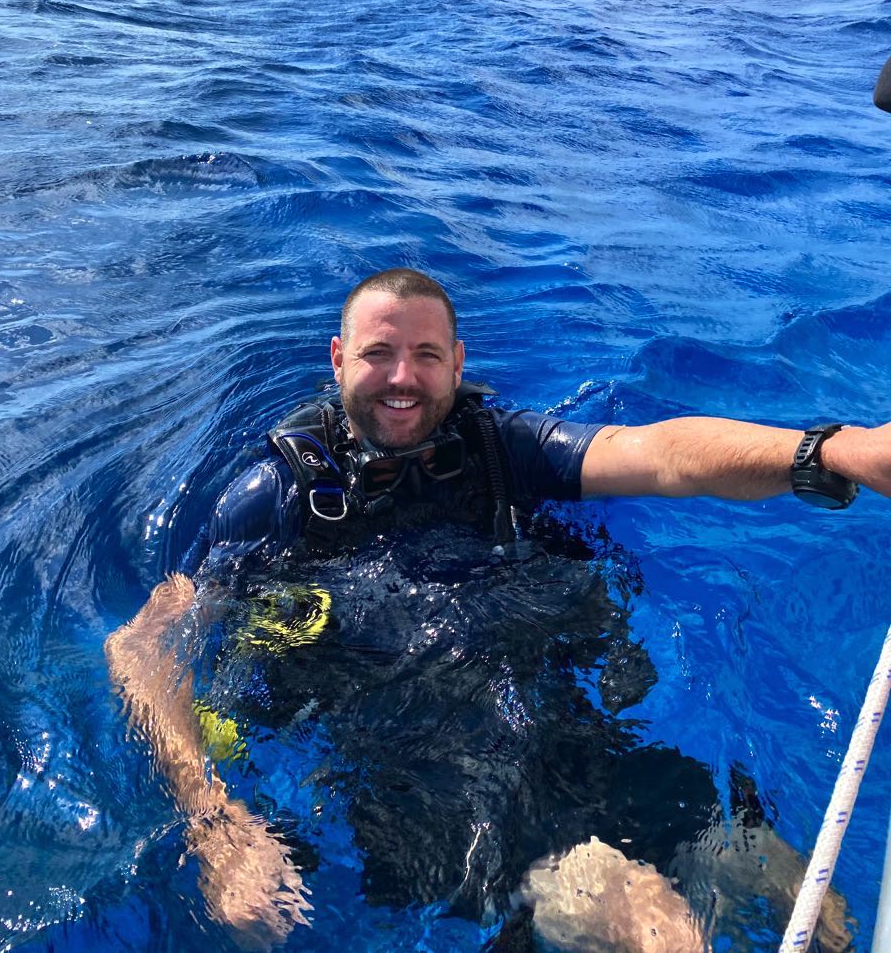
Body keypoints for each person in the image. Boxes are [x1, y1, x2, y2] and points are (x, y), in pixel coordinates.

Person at [106, 268, 884, 950]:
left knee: (821, 913)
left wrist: (833, 453)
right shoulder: (276, 499)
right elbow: (139, 648)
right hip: (435, 790)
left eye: (426, 354)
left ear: (458, 363)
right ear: (339, 359)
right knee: (664, 935)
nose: (402, 377)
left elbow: (660, 455)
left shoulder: (504, 448)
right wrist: (215, 821)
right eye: (378, 353)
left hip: (573, 736)